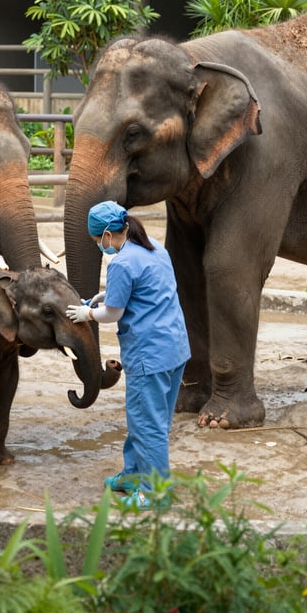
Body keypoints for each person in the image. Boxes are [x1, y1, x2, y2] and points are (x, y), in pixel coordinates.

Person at [66, 200, 190, 509]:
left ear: (107, 234)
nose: (99, 246)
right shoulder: (155, 249)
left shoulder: (121, 263)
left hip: (150, 355)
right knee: (148, 420)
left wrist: (88, 314)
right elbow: (147, 288)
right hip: (175, 348)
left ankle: (156, 493)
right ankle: (133, 476)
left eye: (98, 241)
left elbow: (113, 313)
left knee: (148, 425)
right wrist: (104, 295)